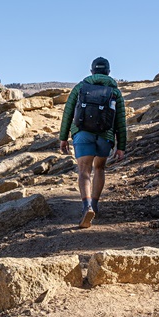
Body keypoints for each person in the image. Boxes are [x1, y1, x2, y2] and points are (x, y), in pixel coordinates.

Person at [58, 57, 127, 228]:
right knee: (99, 168)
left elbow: (68, 113)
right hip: (105, 135)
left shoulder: (80, 87)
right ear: (108, 72)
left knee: (84, 171)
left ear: (92, 72)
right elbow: (120, 122)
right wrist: (121, 147)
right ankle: (95, 205)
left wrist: (63, 137)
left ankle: (86, 206)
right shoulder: (115, 92)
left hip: (82, 134)